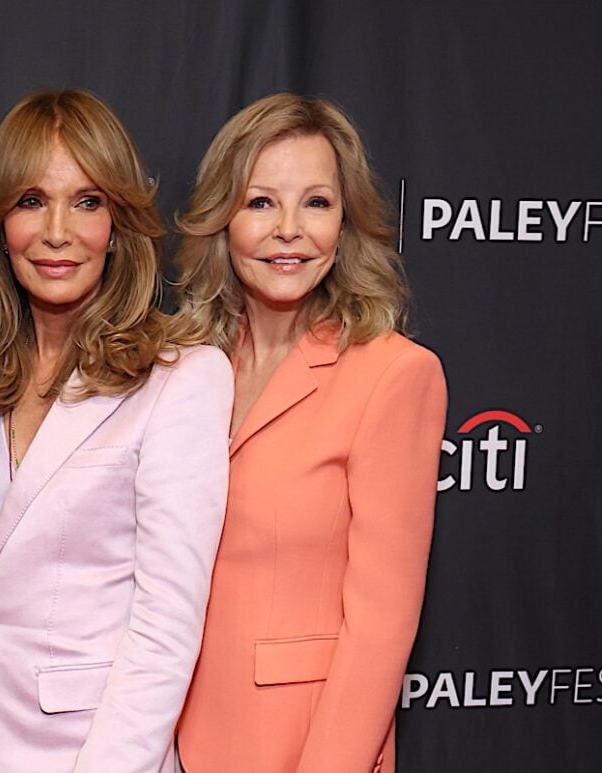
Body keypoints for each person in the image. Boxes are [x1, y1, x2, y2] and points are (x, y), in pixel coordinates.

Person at [0, 89, 233, 773]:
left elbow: (166, 626)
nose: (58, 231)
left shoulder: (181, 379)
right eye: (31, 200)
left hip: (89, 754)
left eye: (87, 201)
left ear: (119, 222)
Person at [171, 93, 447, 773]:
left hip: (307, 747)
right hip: (170, 740)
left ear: (346, 222)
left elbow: (380, 629)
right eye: (261, 202)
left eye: (317, 203)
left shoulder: (393, 375)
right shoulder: (182, 366)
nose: (289, 230)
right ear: (222, 218)